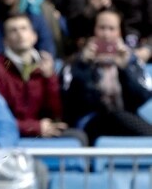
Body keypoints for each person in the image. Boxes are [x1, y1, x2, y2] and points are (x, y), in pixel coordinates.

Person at [61, 8, 152, 142]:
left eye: (112, 28)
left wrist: (124, 69)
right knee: (115, 115)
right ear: (94, 30)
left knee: (120, 116)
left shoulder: (131, 61)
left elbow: (143, 97)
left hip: (125, 121)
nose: (106, 34)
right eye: (102, 28)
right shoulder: (77, 62)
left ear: (119, 32)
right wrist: (84, 66)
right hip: (91, 122)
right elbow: (71, 100)